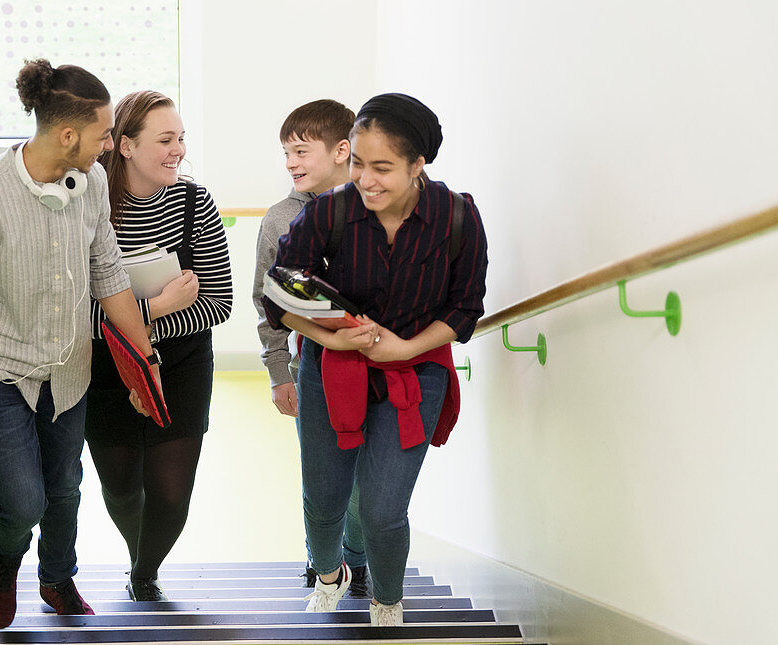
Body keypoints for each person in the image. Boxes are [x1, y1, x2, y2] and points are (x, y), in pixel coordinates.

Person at [0, 59, 161, 630]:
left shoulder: (93, 184)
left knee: (64, 489)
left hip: (69, 368)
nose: (109, 144)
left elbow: (108, 274)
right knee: (25, 501)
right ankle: (3, 559)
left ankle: (57, 579)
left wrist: (145, 365)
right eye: (104, 134)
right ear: (67, 135)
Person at [262, 93, 488, 627]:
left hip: (416, 372)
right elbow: (279, 291)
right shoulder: (329, 211)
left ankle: (387, 602)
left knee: (383, 510)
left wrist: (406, 348)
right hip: (331, 368)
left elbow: (465, 306)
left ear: (418, 165)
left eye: (383, 168)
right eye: (358, 163)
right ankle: (327, 572)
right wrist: (334, 341)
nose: (366, 180)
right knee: (324, 499)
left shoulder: (456, 218)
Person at [87, 90, 233, 601]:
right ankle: (137, 549)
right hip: (105, 367)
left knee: (171, 496)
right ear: (125, 146)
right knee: (121, 485)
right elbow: (75, 315)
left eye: (182, 139)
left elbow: (218, 302)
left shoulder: (196, 202)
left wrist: (139, 327)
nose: (179, 150)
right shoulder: (89, 203)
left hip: (182, 362)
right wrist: (157, 308)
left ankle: (143, 571)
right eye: (166, 139)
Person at [251, 99, 370, 596]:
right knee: (321, 471)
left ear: (342, 150)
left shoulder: (375, 206)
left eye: (301, 151)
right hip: (313, 367)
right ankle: (320, 558)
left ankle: (357, 558)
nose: (291, 163)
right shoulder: (281, 218)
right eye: (285, 153)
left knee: (366, 480)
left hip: (378, 365)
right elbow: (267, 299)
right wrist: (280, 371)